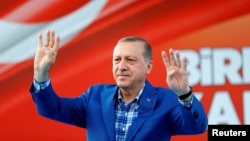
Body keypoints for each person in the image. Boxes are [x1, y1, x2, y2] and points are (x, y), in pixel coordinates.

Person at [29, 29, 208, 141]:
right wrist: (41, 75)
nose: (121, 66)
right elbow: (52, 109)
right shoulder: (96, 96)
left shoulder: (166, 101)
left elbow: (197, 127)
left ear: (149, 66)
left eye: (130, 60)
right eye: (117, 60)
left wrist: (184, 94)